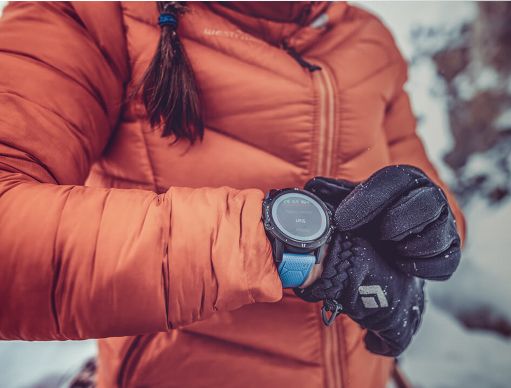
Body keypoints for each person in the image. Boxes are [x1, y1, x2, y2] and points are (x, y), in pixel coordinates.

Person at [0, 2, 465, 387]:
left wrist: (428, 224)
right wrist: (286, 244)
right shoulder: (93, 16)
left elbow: (428, 185)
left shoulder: (368, 40)